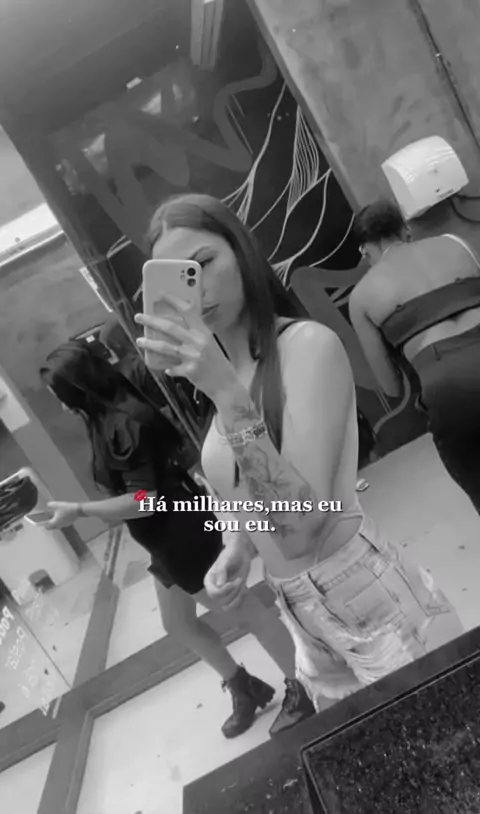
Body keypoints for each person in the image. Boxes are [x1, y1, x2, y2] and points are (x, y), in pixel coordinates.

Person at [135, 193, 463, 712]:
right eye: (182, 279)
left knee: (445, 740)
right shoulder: (220, 375)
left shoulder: (305, 347)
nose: (199, 290)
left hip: (362, 593)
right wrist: (239, 547)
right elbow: (247, 491)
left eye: (204, 264)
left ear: (241, 252)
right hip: (298, 610)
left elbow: (301, 526)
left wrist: (229, 397)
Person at [39, 341, 312, 737]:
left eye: (58, 394)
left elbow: (144, 500)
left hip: (180, 535)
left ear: (75, 388)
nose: (59, 404)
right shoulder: (105, 417)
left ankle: (303, 684)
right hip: (164, 540)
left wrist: (80, 511)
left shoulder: (123, 422)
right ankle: (243, 687)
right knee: (178, 624)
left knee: (247, 612)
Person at [349, 200, 480, 514]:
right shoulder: (456, 245)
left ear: (365, 250)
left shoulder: (362, 297)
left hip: (446, 382)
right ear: (405, 229)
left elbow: (391, 385)